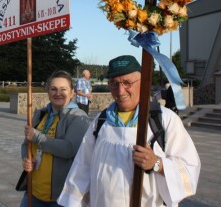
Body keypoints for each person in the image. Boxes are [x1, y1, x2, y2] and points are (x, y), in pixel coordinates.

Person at [57, 55, 200, 207]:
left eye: (127, 82)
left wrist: (156, 163)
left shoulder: (163, 120)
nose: (120, 90)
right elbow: (82, 167)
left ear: (143, 82)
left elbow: (189, 170)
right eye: (114, 83)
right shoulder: (101, 121)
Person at [19, 70, 90, 207]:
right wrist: (26, 159)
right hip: (33, 192)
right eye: (53, 89)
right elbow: (26, 143)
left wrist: (38, 137)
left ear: (72, 92)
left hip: (61, 197)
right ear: (48, 92)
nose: (58, 93)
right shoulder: (40, 114)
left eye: (63, 89)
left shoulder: (78, 117)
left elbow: (69, 149)